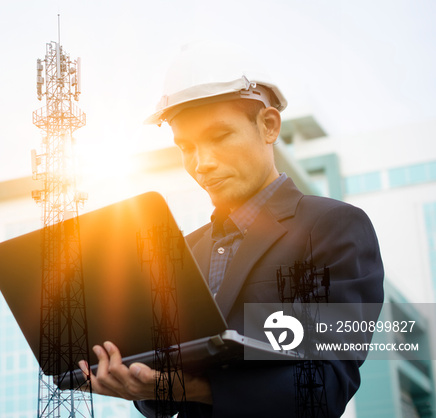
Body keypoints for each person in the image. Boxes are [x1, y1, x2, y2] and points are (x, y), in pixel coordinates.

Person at [78, 43, 384, 417]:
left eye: (220, 137)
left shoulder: (332, 229)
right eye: (185, 146)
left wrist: (193, 388)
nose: (201, 163)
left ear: (269, 126)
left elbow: (324, 387)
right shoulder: (182, 253)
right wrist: (133, 380)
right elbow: (160, 392)